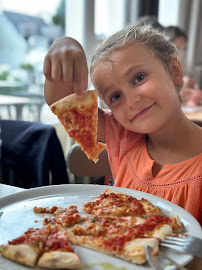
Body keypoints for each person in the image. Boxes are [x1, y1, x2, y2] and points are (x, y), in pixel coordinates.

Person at [43, 25, 202, 225]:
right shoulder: (122, 134)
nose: (131, 101)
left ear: (174, 70)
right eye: (115, 96)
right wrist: (64, 44)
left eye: (139, 78)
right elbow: (63, 103)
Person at [163, 26, 202, 106]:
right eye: (177, 47)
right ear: (165, 43)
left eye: (182, 49)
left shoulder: (177, 61)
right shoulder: (157, 64)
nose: (179, 52)